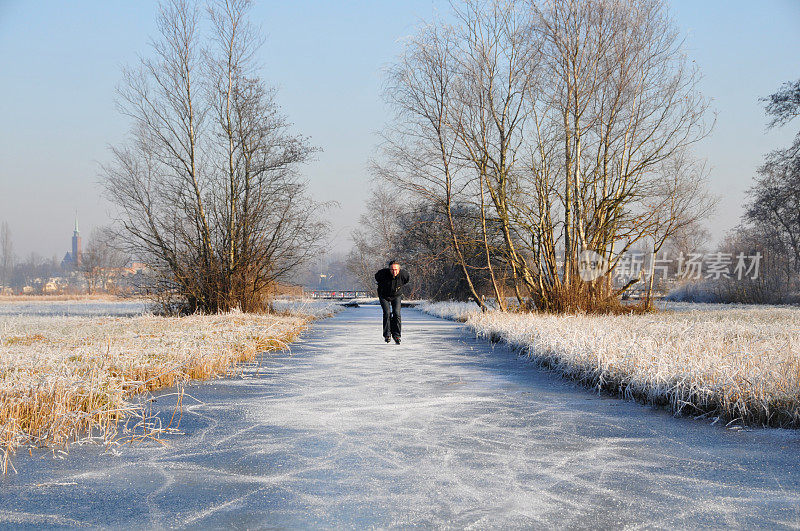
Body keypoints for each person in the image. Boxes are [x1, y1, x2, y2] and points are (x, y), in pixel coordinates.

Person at [374, 260, 410, 344]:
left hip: (396, 295)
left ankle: (396, 335)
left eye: (396, 269)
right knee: (387, 313)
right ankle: (387, 335)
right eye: (392, 270)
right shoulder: (382, 274)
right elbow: (376, 277)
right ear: (389, 269)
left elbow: (406, 281)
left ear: (399, 269)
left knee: (397, 313)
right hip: (384, 295)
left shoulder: (404, 275)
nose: (394, 271)